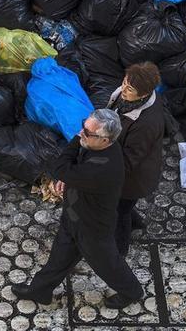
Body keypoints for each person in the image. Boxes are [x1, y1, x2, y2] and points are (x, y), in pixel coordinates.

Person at [12, 109, 143, 309]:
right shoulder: (98, 147)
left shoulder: (102, 167)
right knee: (59, 256)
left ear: (106, 141)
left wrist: (74, 145)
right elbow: (72, 169)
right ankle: (40, 290)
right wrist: (71, 178)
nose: (82, 133)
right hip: (74, 215)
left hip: (92, 228)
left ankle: (132, 291)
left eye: (88, 133)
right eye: (83, 127)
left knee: (108, 264)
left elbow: (60, 168)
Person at [107, 62, 164, 257]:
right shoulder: (126, 97)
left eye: (129, 89)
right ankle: (138, 223)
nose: (124, 89)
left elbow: (129, 160)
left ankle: (119, 252)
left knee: (119, 211)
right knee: (125, 206)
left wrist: (103, 169)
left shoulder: (146, 123)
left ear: (144, 94)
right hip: (129, 167)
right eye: (124, 82)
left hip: (133, 178)